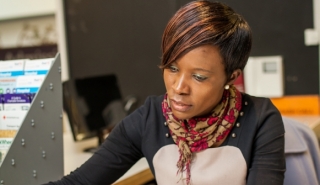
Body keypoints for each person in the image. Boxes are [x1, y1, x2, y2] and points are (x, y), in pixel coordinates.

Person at [45, 1, 285, 184]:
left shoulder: (260, 117)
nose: (178, 88)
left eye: (199, 77)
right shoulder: (148, 119)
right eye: (172, 68)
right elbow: (79, 182)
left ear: (231, 77)